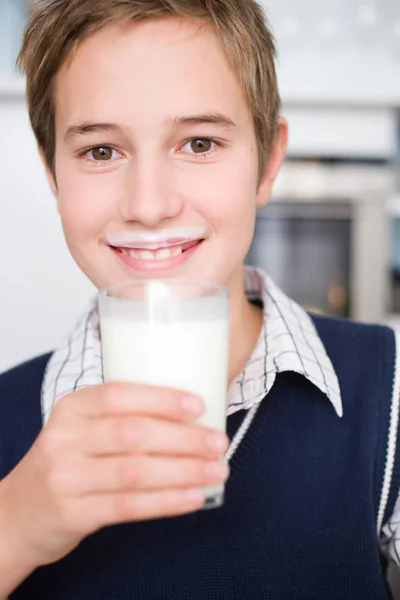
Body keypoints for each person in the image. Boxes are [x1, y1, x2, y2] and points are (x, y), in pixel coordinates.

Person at [0, 0, 399, 598]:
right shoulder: (6, 421)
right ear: (53, 174)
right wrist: (15, 525)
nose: (150, 203)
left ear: (267, 161)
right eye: (100, 151)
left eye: (201, 143)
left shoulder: (388, 391)